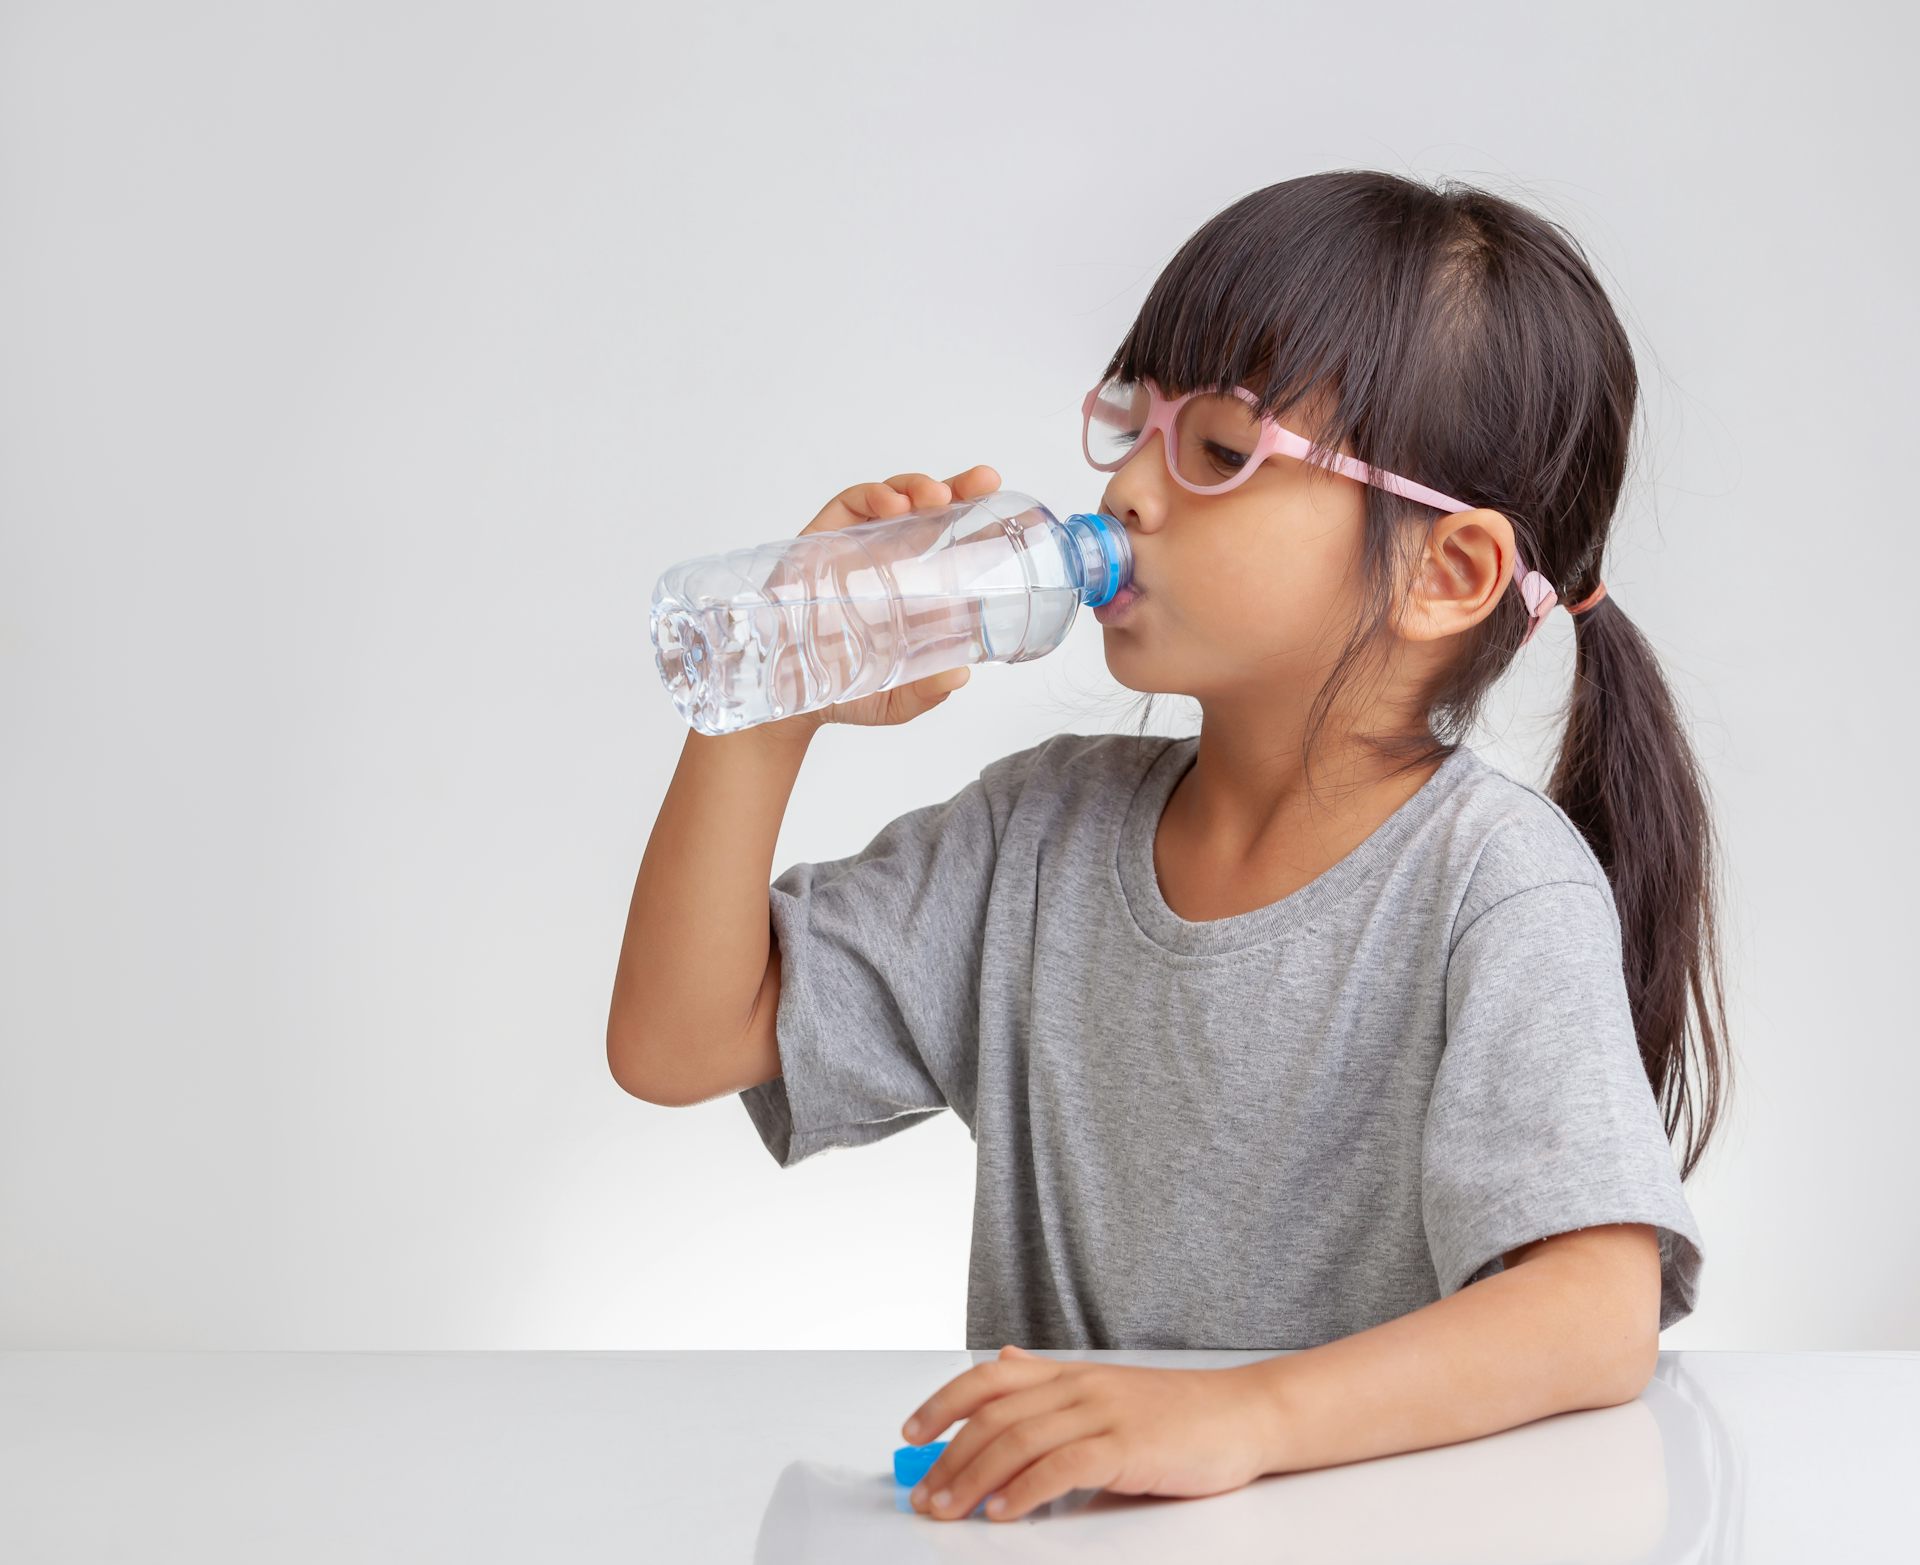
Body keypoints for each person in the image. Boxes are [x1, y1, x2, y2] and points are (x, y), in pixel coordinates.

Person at [607, 169, 1735, 1523]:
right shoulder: (1039, 833)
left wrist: (1237, 1414)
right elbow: (676, 1041)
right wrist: (775, 678)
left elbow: (1596, 1310)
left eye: (1217, 449)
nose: (1132, 485)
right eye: (1134, 422)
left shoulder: (1493, 882)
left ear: (1446, 572)